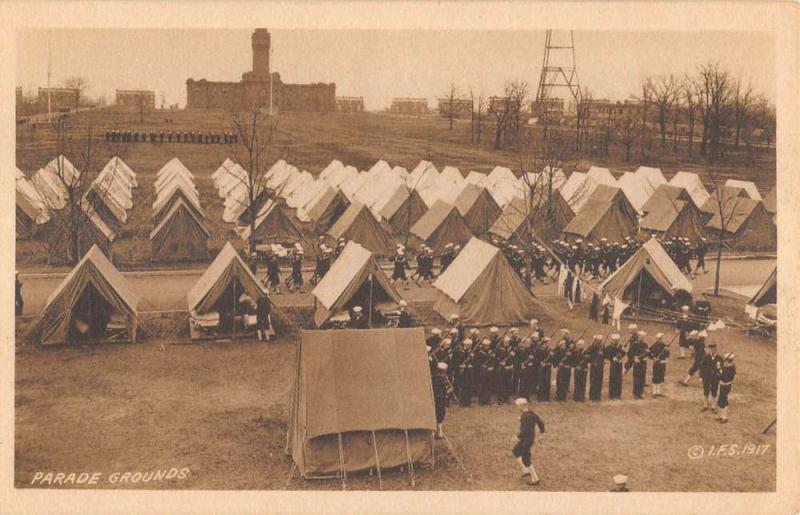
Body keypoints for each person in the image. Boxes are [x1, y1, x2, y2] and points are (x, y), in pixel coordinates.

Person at [511, 398, 545, 486]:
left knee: (526, 459)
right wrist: (541, 435)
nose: (517, 407)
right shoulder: (532, 414)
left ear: (521, 406)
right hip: (529, 439)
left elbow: (525, 431)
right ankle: (526, 470)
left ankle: (535, 479)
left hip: (526, 440)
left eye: (517, 406)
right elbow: (541, 423)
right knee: (515, 451)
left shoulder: (524, 417)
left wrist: (517, 437)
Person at [699, 341, 723, 412]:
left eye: (714, 349)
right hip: (707, 377)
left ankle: (713, 406)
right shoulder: (705, 357)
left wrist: (719, 375)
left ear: (716, 350)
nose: (712, 350)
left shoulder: (719, 358)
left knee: (714, 391)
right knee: (706, 391)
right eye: (711, 349)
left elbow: (721, 368)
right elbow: (702, 367)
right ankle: (705, 405)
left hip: (715, 378)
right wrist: (701, 376)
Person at [432, 362, 452, 438]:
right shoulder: (444, 378)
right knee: (441, 414)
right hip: (441, 398)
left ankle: (435, 432)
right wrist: (449, 390)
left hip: (435, 397)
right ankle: (439, 432)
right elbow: (447, 389)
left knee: (436, 413)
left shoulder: (434, 377)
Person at [716, 353, 736, 423]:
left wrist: (718, 374)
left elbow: (724, 378)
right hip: (725, 385)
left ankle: (724, 417)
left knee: (723, 401)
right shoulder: (731, 367)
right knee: (721, 400)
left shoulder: (729, 368)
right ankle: (721, 416)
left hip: (725, 385)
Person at [649, 332, 669, 397]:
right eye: (660, 338)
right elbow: (649, 352)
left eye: (661, 339)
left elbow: (667, 355)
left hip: (663, 363)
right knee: (655, 377)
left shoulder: (664, 346)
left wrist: (667, 350)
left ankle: (658, 392)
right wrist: (654, 358)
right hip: (657, 363)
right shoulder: (654, 345)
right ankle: (654, 392)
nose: (661, 340)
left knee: (661, 377)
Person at [605, 334, 625, 400]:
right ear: (612, 340)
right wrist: (612, 358)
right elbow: (607, 355)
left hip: (619, 364)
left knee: (619, 379)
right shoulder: (609, 347)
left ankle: (618, 395)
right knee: (613, 379)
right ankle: (612, 395)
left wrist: (622, 353)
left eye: (617, 340)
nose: (616, 341)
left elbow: (623, 354)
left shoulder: (620, 346)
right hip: (613, 365)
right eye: (615, 340)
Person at [630, 331, 649, 399]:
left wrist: (646, 355)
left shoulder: (645, 344)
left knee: (642, 378)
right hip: (637, 363)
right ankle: (635, 393)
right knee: (636, 378)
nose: (643, 338)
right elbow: (630, 354)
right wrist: (634, 358)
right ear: (639, 336)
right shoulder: (634, 344)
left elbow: (648, 353)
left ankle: (641, 393)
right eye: (642, 336)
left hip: (643, 363)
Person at [588, 334, 605, 401]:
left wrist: (602, 354)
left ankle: (598, 396)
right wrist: (593, 361)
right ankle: (592, 396)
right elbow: (589, 354)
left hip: (600, 365)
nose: (599, 341)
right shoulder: (592, 347)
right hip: (594, 365)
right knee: (593, 381)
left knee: (599, 381)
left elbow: (605, 355)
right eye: (598, 340)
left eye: (600, 340)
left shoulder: (602, 346)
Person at [536, 337, 553, 402]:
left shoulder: (549, 350)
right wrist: (540, 362)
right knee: (541, 383)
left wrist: (552, 356)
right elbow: (536, 359)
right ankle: (540, 398)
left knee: (547, 382)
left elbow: (552, 360)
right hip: (541, 368)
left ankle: (546, 398)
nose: (549, 344)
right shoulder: (539, 350)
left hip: (547, 368)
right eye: (548, 343)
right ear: (545, 343)